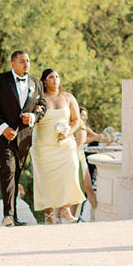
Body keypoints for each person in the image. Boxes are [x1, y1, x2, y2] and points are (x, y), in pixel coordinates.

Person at [0, 50, 47, 226]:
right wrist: (3, 128)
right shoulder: (0, 79)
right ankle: (8, 215)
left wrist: (33, 118)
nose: (26, 64)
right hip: (1, 136)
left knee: (16, 173)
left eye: (28, 61)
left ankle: (13, 215)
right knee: (9, 168)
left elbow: (42, 106)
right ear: (13, 63)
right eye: (22, 61)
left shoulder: (36, 83)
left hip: (23, 138)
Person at [31, 69, 90, 223]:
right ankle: (49, 213)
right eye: (51, 77)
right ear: (44, 81)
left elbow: (76, 119)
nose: (55, 79)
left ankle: (65, 208)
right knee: (46, 179)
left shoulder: (68, 97)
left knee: (70, 169)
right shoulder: (37, 98)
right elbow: (31, 118)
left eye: (57, 76)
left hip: (65, 144)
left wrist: (68, 132)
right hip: (43, 145)